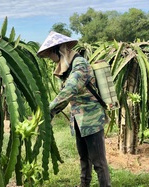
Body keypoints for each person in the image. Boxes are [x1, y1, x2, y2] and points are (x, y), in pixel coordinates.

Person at [37, 31, 111, 187]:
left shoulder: (80, 64)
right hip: (78, 119)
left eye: (50, 52)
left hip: (91, 119)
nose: (50, 57)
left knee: (99, 162)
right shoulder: (68, 68)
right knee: (84, 158)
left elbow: (70, 90)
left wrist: (48, 109)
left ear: (60, 48)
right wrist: (50, 113)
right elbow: (67, 97)